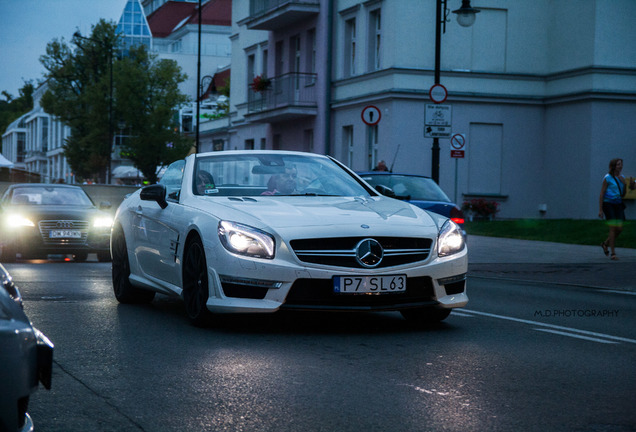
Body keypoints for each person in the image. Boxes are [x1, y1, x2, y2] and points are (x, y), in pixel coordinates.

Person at [598, 158, 635, 260]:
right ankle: (613, 253)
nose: (621, 166)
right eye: (619, 164)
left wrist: (626, 184)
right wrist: (600, 210)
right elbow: (602, 194)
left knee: (619, 228)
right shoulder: (607, 178)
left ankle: (605, 244)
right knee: (613, 228)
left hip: (618, 205)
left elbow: (622, 195)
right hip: (608, 204)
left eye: (621, 164)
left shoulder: (622, 178)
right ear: (613, 166)